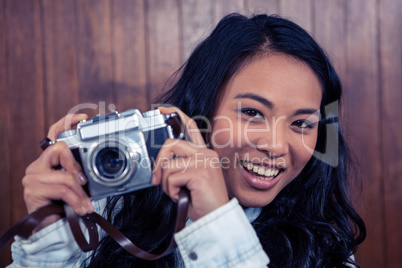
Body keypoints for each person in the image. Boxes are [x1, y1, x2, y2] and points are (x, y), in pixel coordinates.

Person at [10, 13, 366, 267]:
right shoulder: (108, 215)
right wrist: (48, 240)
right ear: (202, 112)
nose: (275, 145)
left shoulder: (326, 250)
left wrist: (216, 221)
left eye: (303, 123)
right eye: (253, 113)